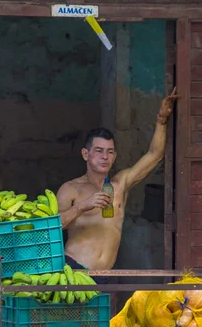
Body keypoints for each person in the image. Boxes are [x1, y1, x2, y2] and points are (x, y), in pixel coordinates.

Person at [56, 87, 179, 284]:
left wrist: (161, 120)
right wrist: (82, 206)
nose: (105, 157)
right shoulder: (70, 189)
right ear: (85, 154)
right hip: (75, 272)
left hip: (107, 276)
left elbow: (154, 155)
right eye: (98, 151)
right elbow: (53, 227)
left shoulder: (120, 184)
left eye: (110, 152)